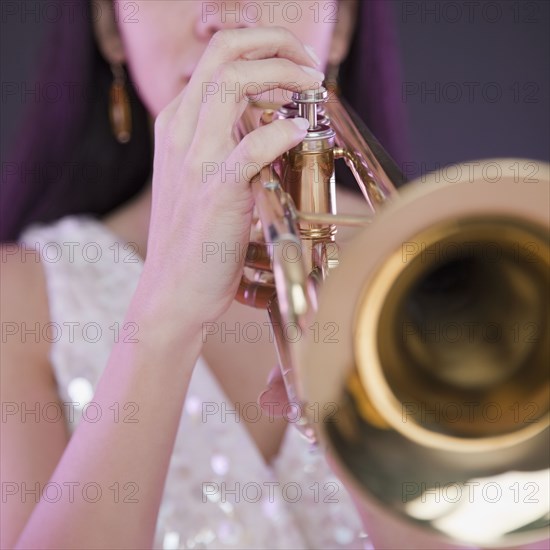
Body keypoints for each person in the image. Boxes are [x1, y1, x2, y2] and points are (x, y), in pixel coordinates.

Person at [1, 1, 406, 548]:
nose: (222, 14)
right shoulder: (20, 299)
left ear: (342, 28)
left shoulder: (450, 256)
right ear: (110, 29)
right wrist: (163, 319)